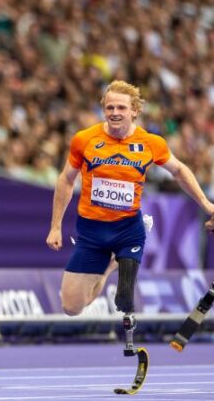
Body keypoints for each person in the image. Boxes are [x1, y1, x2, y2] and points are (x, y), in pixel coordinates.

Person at [45, 80, 214, 348]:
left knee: (124, 299)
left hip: (128, 229)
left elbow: (180, 171)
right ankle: (110, 265)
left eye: (121, 107)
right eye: (109, 107)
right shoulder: (84, 139)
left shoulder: (150, 143)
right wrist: (55, 226)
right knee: (71, 307)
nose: (114, 112)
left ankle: (119, 263)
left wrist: (207, 205)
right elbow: (66, 180)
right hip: (91, 231)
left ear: (134, 110)